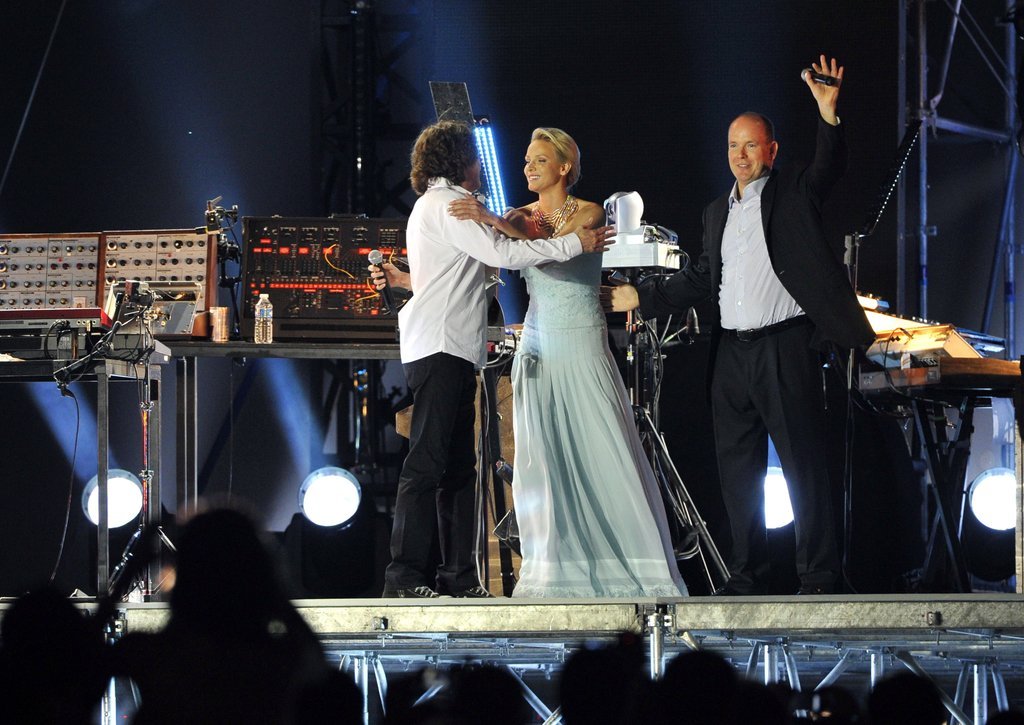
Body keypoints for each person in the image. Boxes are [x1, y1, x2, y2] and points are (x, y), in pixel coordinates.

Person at [604, 56, 874, 595]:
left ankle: (819, 576)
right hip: (731, 353)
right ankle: (748, 574)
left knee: (802, 466)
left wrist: (827, 112)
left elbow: (830, 166)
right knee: (737, 470)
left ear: (771, 151)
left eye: (751, 145)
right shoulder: (716, 212)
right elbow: (703, 277)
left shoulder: (794, 192)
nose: (741, 155)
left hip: (784, 346)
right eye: (733, 145)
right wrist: (643, 297)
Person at [446, 127, 687, 597]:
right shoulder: (516, 216)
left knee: (602, 448)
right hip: (540, 344)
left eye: (539, 160)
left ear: (564, 167)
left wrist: (493, 221)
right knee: (547, 459)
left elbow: (553, 252)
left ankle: (631, 567)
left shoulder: (590, 213)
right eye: (526, 160)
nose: (528, 167)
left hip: (582, 343)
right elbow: (506, 258)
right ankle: (558, 569)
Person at [380, 120, 613, 599]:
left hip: (454, 347)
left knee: (458, 469)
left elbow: (468, 268)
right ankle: (403, 578)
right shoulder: (450, 204)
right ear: (460, 161)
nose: (481, 166)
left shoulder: (446, 205)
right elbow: (504, 255)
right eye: (475, 157)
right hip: (441, 346)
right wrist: (577, 243)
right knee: (427, 464)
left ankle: (460, 579)